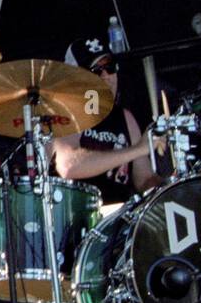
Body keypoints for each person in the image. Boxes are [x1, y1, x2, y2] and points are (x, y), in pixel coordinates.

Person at [52, 36, 163, 207]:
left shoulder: (125, 118)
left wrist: (169, 187)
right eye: (96, 71)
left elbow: (145, 179)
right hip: (74, 219)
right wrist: (138, 149)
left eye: (109, 68)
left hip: (119, 222)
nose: (106, 76)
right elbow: (68, 165)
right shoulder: (64, 112)